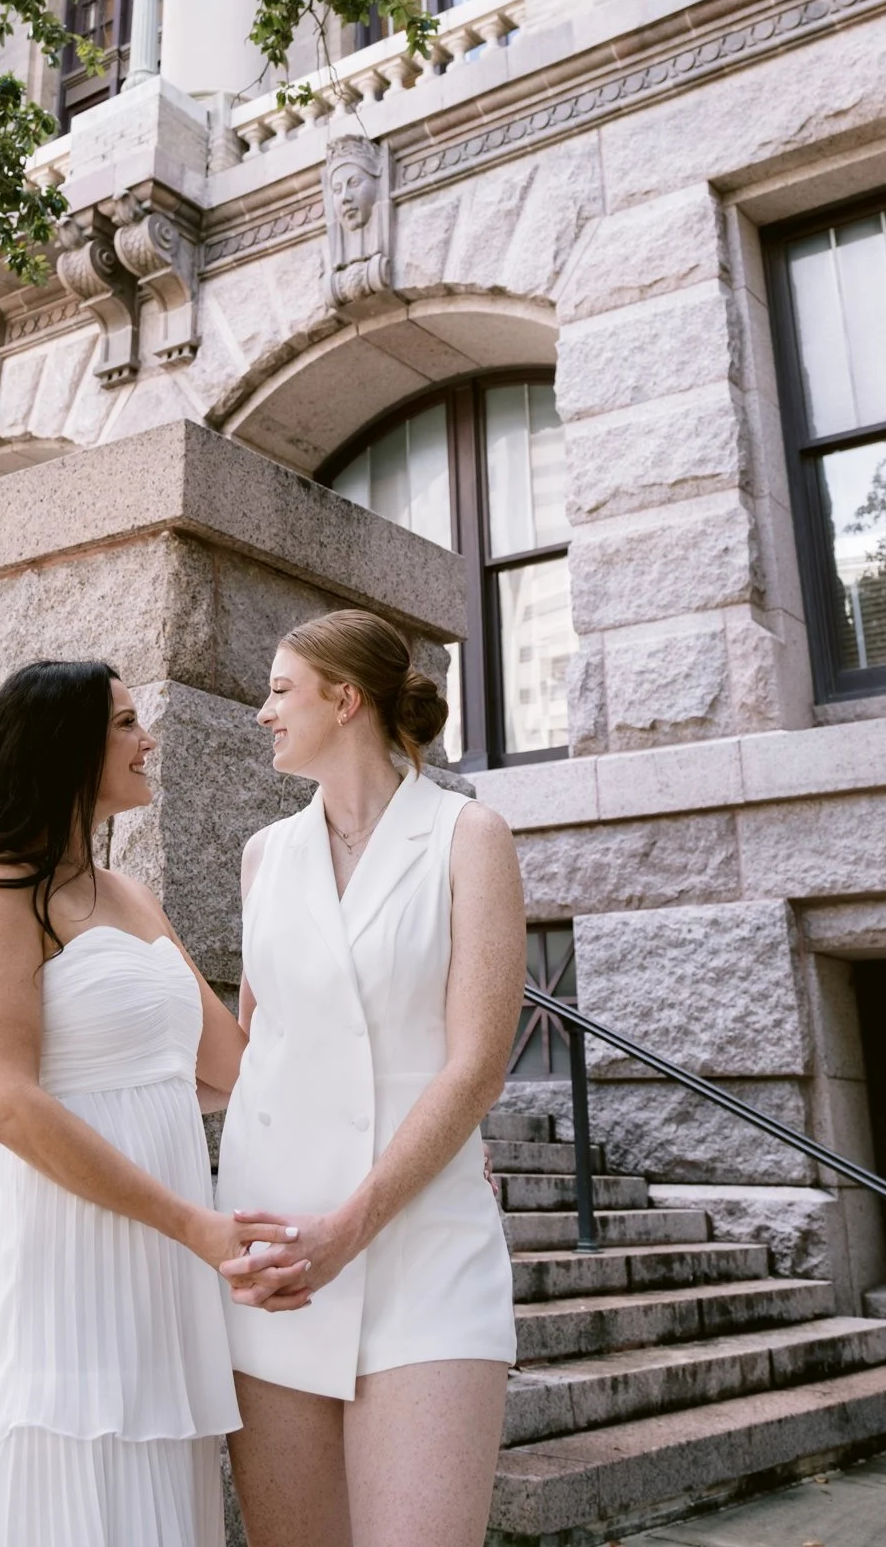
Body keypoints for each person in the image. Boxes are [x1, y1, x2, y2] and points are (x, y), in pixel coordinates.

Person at [0, 659, 294, 1547]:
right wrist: (192, 1224)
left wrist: (292, 935)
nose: (147, 740)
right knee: (72, 1468)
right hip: (71, 1244)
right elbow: (2, 1103)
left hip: (168, 1259)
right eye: (124, 723)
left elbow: (233, 1069)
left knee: (153, 1470)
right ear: (61, 746)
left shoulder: (132, 898)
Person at [214, 609, 526, 1547]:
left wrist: (349, 1228)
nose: (263, 713)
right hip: (276, 1257)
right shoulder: (264, 855)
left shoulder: (468, 836)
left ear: (344, 700)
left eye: (279, 691)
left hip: (419, 1246)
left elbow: (476, 1064)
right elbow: (251, 1050)